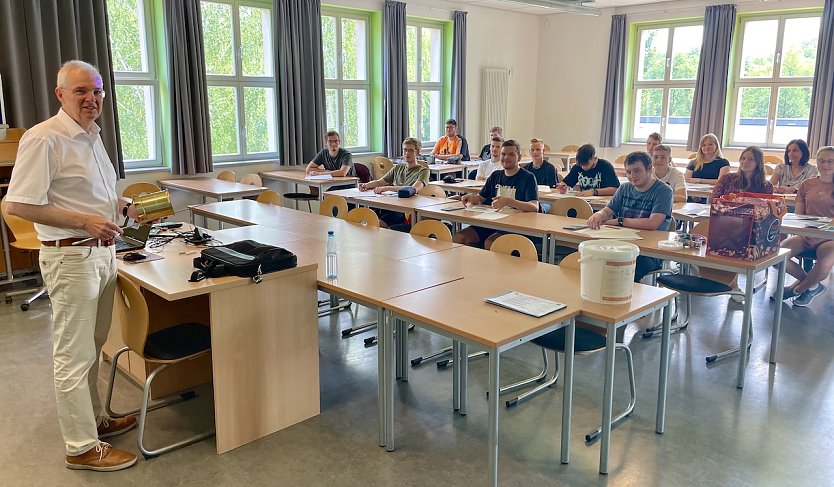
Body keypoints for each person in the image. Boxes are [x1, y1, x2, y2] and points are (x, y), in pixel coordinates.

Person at [5, 60, 139, 471]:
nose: (92, 99)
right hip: (71, 256)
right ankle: (80, 446)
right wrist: (84, 221)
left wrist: (117, 207)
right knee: (72, 354)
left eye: (97, 91)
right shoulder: (44, 138)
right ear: (60, 94)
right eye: (81, 91)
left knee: (93, 348)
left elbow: (83, 194)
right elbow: (17, 203)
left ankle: (95, 421)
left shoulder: (92, 137)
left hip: (101, 252)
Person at [587, 151, 673, 282]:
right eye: (628, 172)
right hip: (622, 244)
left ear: (649, 169)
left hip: (649, 251)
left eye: (637, 171)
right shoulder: (624, 188)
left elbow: (652, 224)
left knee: (625, 269)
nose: (632, 176)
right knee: (593, 260)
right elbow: (607, 211)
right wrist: (598, 215)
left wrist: (620, 221)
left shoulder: (663, 191)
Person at [711, 146, 773, 303]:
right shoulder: (727, 179)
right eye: (743, 158)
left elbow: (765, 210)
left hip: (753, 226)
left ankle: (732, 284)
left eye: (751, 159)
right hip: (725, 222)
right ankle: (733, 285)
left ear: (758, 162)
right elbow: (715, 199)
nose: (745, 161)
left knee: (740, 238)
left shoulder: (766, 186)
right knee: (732, 236)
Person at [776, 146, 834, 306]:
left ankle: (798, 290)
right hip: (806, 234)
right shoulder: (806, 184)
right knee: (776, 257)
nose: (826, 165)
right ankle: (811, 286)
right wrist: (803, 231)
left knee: (824, 263)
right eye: (822, 161)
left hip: (830, 238)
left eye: (830, 161)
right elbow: (799, 217)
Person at [454, 139, 538, 249]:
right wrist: (471, 198)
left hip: (515, 226)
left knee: (491, 243)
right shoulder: (495, 175)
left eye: (511, 154)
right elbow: (481, 197)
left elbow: (534, 207)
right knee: (460, 237)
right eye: (503, 154)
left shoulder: (528, 177)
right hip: (492, 222)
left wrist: (508, 201)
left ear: (519, 158)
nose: (506, 157)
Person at [359, 137, 430, 228]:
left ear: (417, 152)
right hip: (391, 204)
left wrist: (387, 188)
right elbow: (380, 182)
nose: (407, 153)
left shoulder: (423, 171)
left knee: (378, 223)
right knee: (367, 218)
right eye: (405, 150)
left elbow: (413, 189)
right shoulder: (398, 168)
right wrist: (366, 185)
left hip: (406, 210)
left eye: (411, 150)